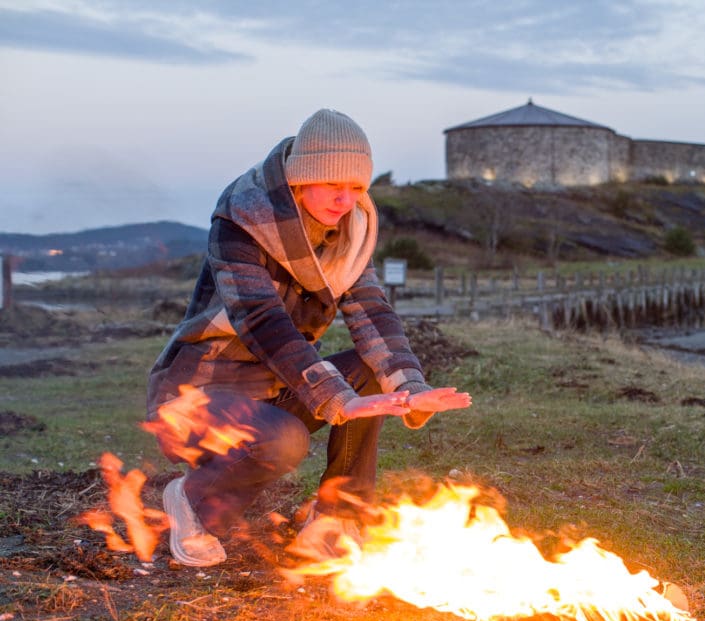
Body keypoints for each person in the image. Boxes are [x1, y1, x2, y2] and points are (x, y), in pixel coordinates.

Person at [147, 109, 471, 567]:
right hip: (199, 395)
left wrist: (410, 390)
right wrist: (335, 398)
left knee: (372, 374)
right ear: (300, 180)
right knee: (285, 439)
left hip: (278, 388)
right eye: (333, 184)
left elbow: (373, 314)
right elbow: (261, 321)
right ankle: (192, 501)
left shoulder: (351, 234)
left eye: (357, 187)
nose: (345, 200)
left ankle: (334, 519)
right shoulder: (241, 221)